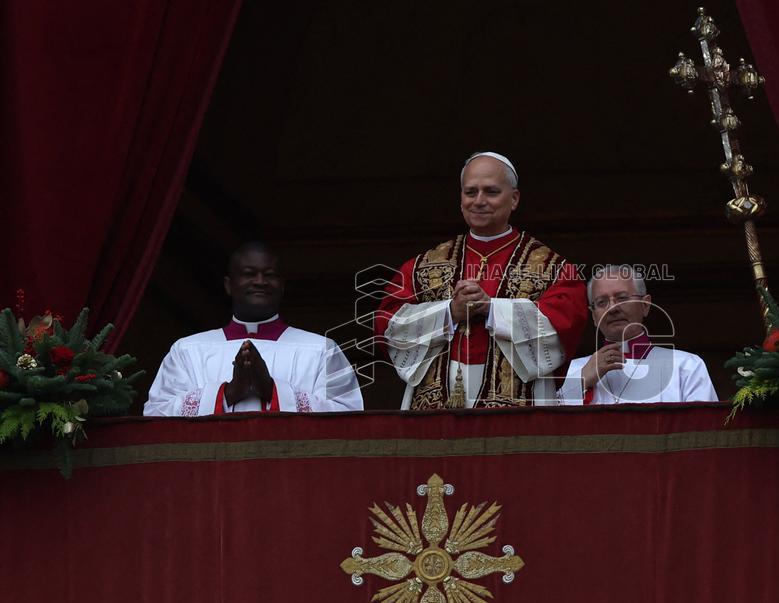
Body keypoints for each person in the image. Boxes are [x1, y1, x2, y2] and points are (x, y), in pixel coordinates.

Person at [375, 152, 588, 409]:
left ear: (514, 199)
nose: (479, 201)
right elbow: (387, 325)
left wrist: (491, 309)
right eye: (470, 192)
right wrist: (449, 312)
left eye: (491, 192)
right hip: (436, 401)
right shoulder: (421, 266)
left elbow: (565, 324)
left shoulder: (552, 268)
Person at [144, 242, 363, 415]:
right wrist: (227, 393)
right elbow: (156, 416)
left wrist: (271, 390)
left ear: (282, 285)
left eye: (269, 275)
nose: (260, 281)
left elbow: (348, 416)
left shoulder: (322, 350)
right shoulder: (187, 351)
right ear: (229, 285)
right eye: (249, 273)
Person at [557, 265, 718, 405]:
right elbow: (546, 429)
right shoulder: (568, 373)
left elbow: (704, 431)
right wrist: (580, 382)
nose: (613, 308)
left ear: (645, 305)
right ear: (593, 316)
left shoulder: (686, 366)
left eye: (622, 298)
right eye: (601, 302)